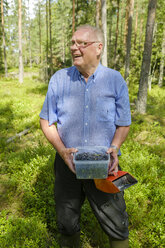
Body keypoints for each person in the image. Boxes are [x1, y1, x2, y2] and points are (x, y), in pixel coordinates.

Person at [39, 24, 131, 248]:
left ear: (99, 48)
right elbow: (46, 121)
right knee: (66, 222)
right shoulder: (59, 79)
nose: (74, 47)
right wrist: (62, 152)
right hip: (67, 162)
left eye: (82, 43)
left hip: (105, 163)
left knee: (117, 223)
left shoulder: (115, 79)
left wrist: (114, 147)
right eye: (72, 42)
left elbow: (124, 123)